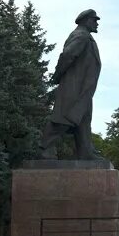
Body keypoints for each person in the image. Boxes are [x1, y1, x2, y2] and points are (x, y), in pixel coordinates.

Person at [39, 9, 106, 160]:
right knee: (65, 117)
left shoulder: (86, 37)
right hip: (74, 86)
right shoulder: (81, 35)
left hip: (83, 89)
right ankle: (45, 147)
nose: (97, 23)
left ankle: (86, 152)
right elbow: (68, 55)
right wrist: (57, 75)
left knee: (83, 119)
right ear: (86, 20)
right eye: (94, 20)